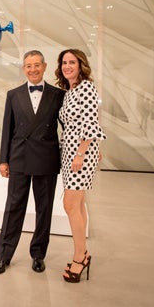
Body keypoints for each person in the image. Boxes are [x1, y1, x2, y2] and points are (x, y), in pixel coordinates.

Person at [0, 50, 65, 275]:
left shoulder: (58, 95)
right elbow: (7, 129)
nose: (33, 69)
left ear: (44, 66)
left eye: (36, 65)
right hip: (19, 157)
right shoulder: (13, 95)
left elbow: (69, 127)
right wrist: (3, 160)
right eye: (28, 66)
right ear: (24, 69)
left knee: (44, 209)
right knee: (13, 207)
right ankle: (4, 255)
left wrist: (84, 150)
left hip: (46, 158)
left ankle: (38, 254)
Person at [55, 48, 106, 283]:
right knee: (79, 203)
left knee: (70, 204)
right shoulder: (70, 91)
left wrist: (82, 153)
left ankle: (79, 257)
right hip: (70, 152)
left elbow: (90, 122)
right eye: (64, 62)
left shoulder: (86, 87)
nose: (67, 66)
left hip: (79, 154)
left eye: (72, 62)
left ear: (80, 65)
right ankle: (82, 252)